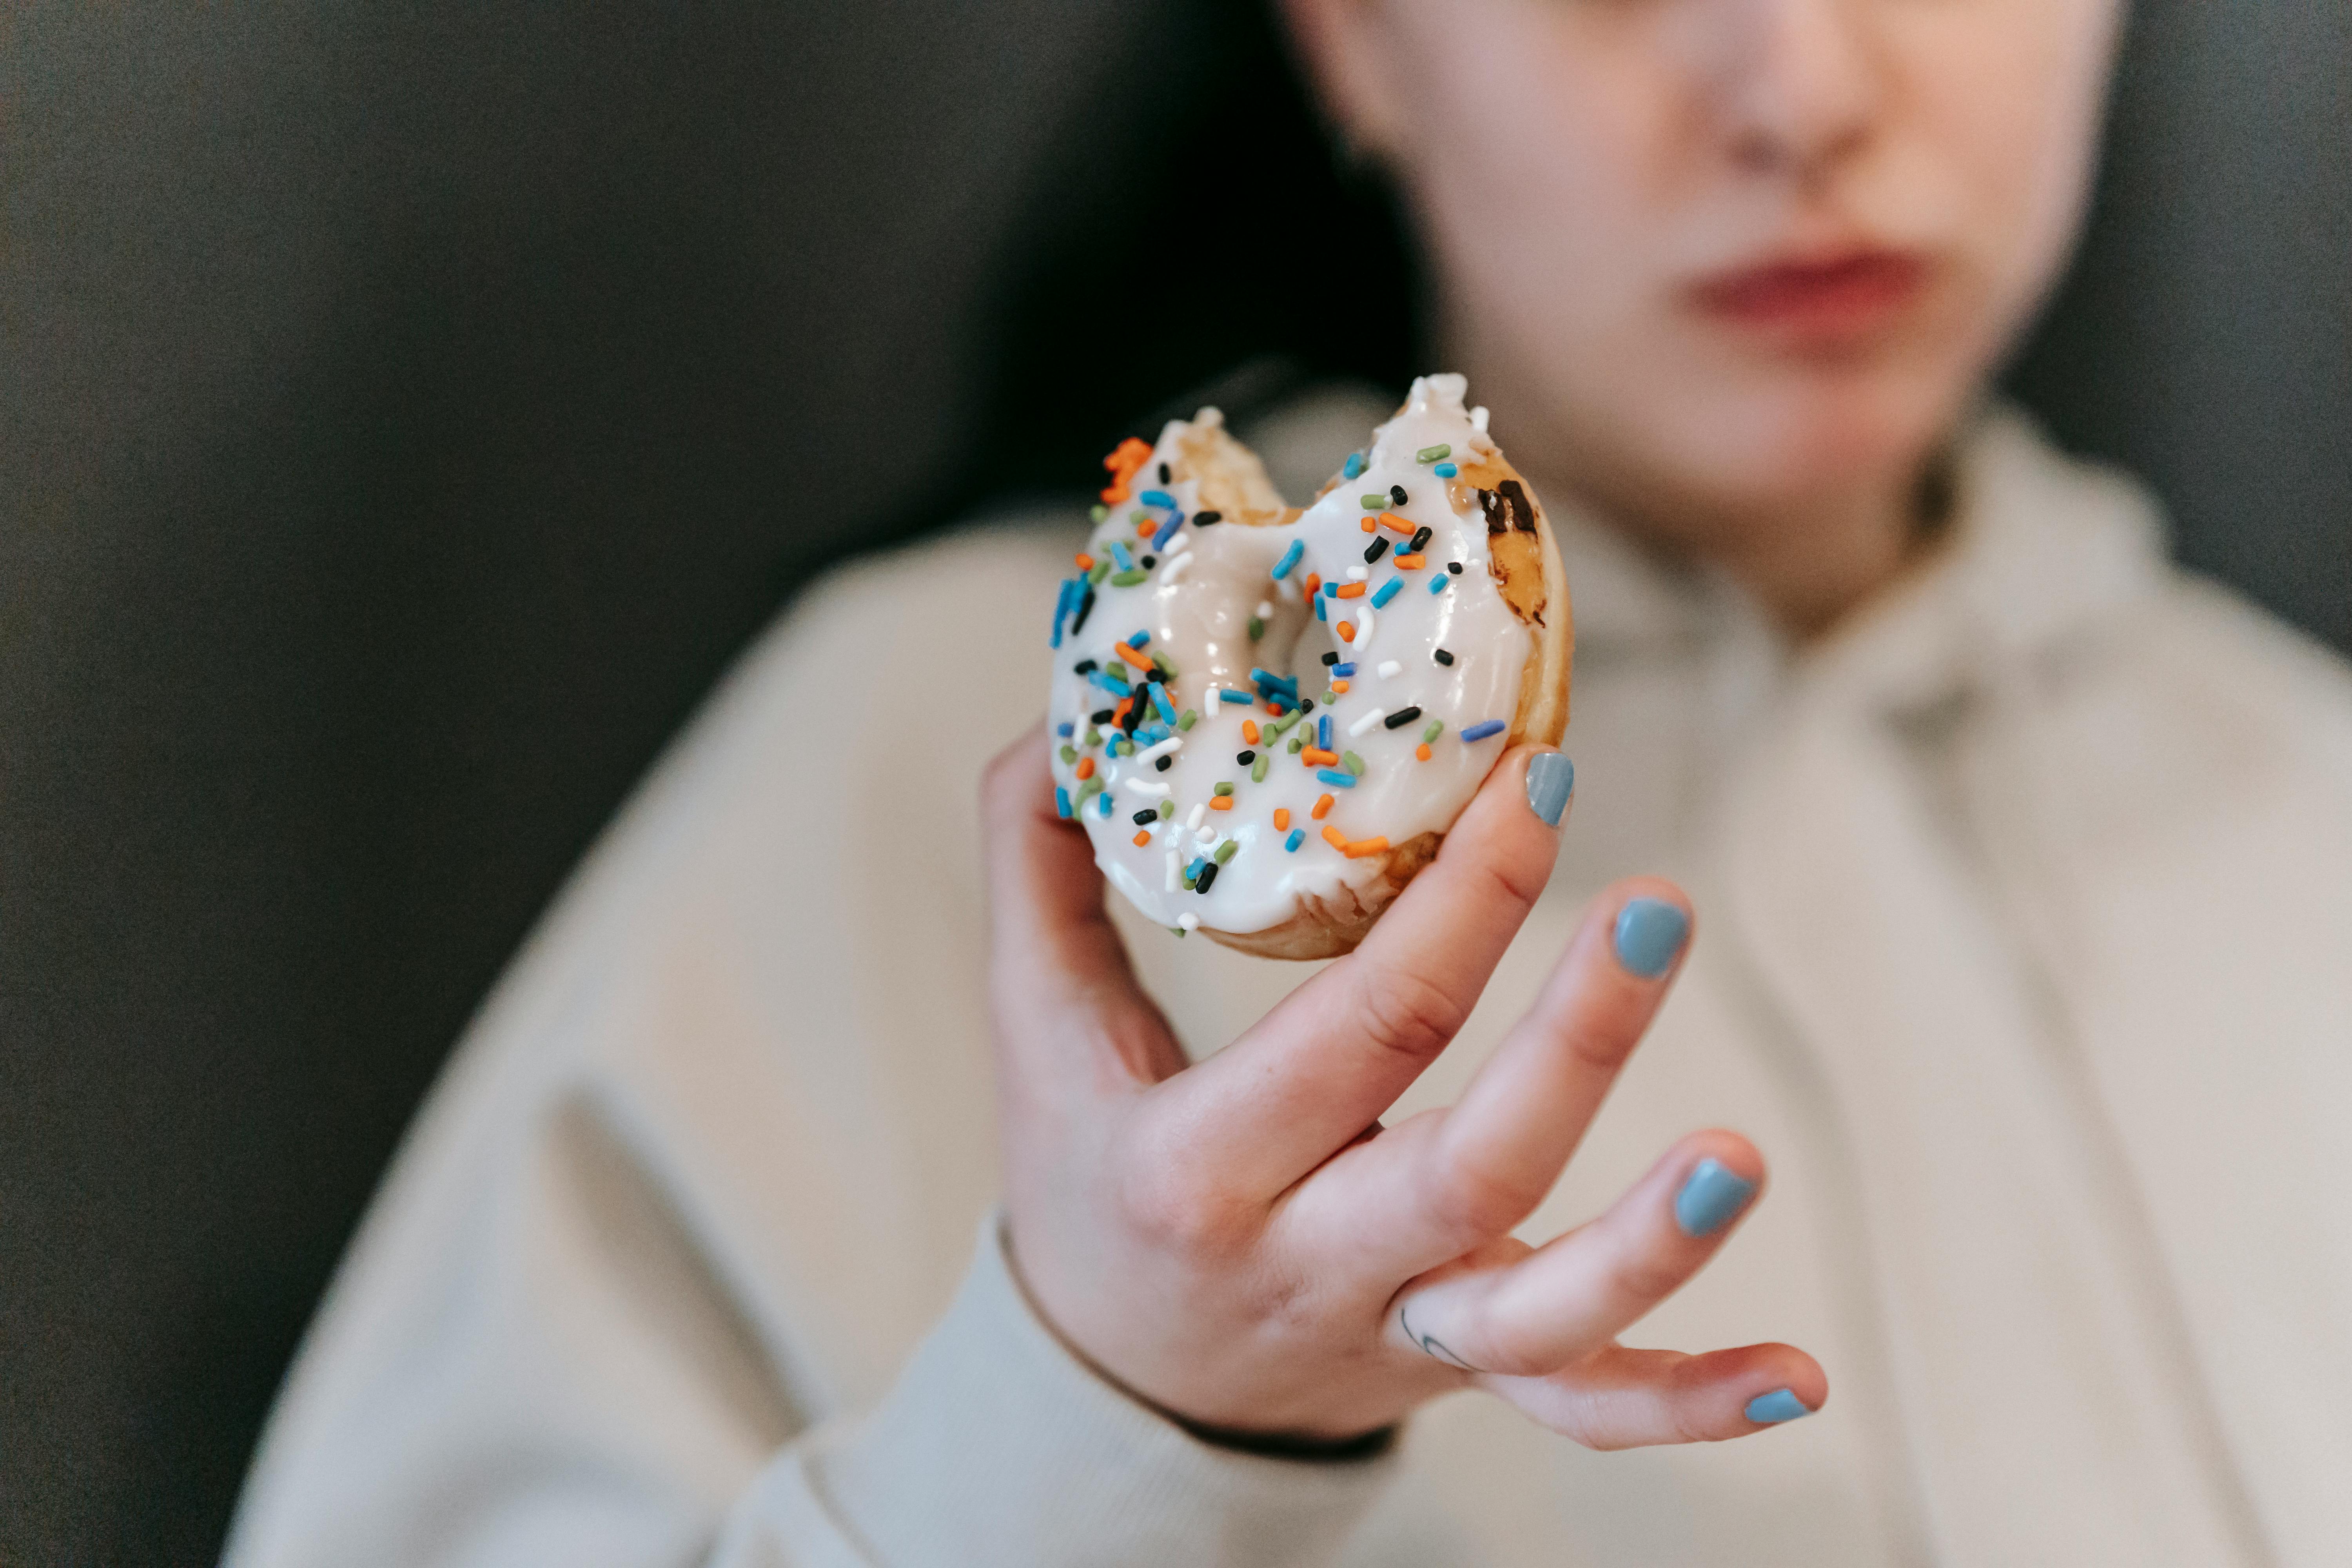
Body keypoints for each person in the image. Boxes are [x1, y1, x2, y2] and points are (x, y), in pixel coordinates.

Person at [223, 0, 2352, 1563]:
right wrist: (1117, 1417)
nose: (1801, 88)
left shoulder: (2293, 785)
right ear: (1351, 41)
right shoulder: (972, 767)